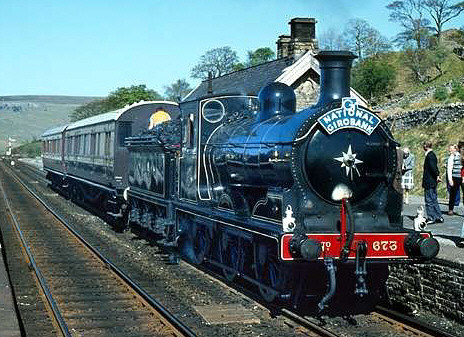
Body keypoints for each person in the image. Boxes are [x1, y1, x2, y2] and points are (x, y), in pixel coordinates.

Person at [422, 141, 443, 224]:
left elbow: (432, 167)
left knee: (429, 200)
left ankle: (431, 217)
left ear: (426, 146)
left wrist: (437, 174)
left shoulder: (429, 155)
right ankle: (438, 216)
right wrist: (438, 175)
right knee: (434, 199)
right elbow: (435, 167)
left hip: (429, 181)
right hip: (433, 181)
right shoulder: (432, 154)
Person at [447, 144, 462, 215]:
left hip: (462, 177)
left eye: (452, 149)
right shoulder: (451, 157)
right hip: (455, 177)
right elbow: (449, 168)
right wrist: (450, 179)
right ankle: (450, 209)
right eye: (450, 149)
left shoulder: (461, 156)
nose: (450, 150)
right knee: (453, 193)